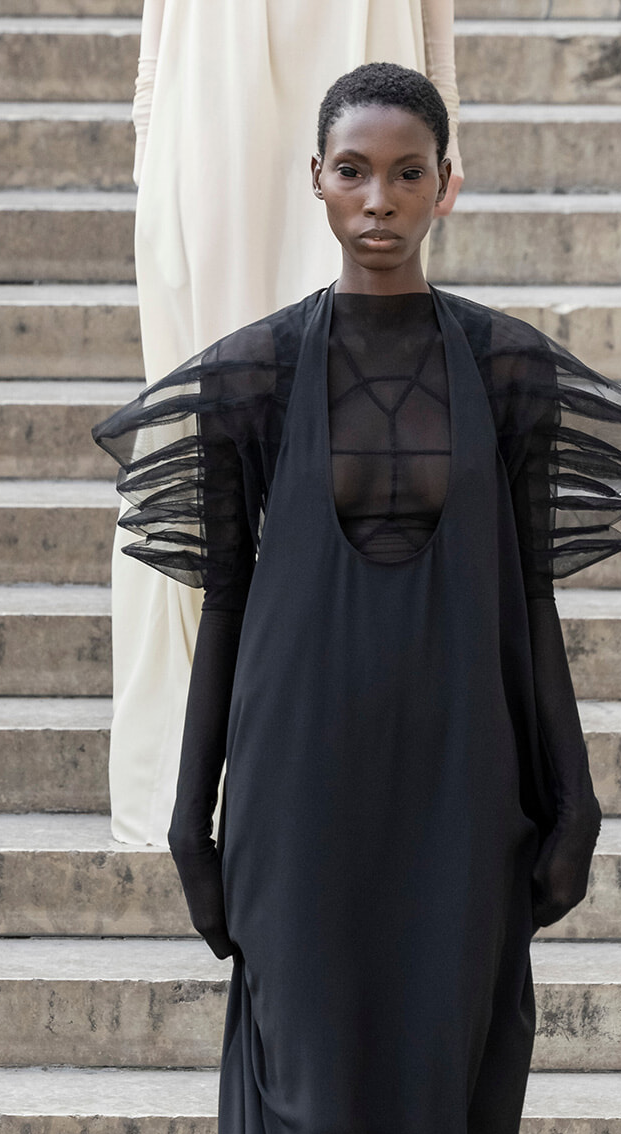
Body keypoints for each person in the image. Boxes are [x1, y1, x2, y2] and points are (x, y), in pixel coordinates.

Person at [95, 62, 621, 1134]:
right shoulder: (258, 379)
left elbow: (529, 615)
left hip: (458, 814)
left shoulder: (504, 370)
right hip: (300, 813)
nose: (382, 198)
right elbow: (226, 615)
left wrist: (574, 781)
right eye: (356, 171)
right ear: (320, 186)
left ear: (448, 185)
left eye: (412, 172)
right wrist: (193, 815)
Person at [114, 0, 464, 844]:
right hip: (213, 62)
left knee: (360, 390)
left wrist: (448, 98)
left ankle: (346, 748)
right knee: (207, 418)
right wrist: (150, 112)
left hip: (366, 31)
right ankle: (197, 768)